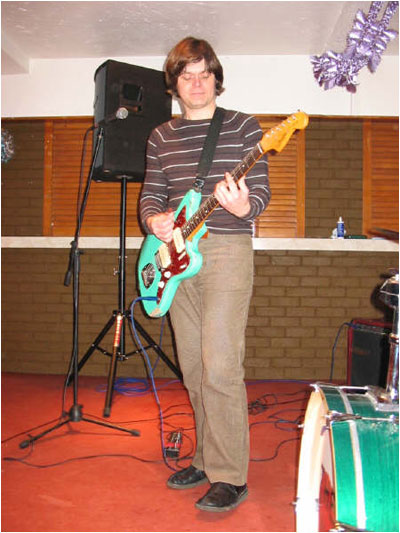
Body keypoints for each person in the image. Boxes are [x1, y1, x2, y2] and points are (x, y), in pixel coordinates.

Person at [139, 36, 270, 512]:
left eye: (204, 74)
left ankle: (231, 475)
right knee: (193, 367)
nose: (196, 83)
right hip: (174, 258)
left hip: (226, 253)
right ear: (174, 85)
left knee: (220, 366)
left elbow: (259, 194)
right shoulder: (160, 136)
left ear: (216, 78)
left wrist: (243, 206)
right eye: (185, 76)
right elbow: (151, 196)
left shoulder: (242, 126)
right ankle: (205, 456)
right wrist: (154, 220)